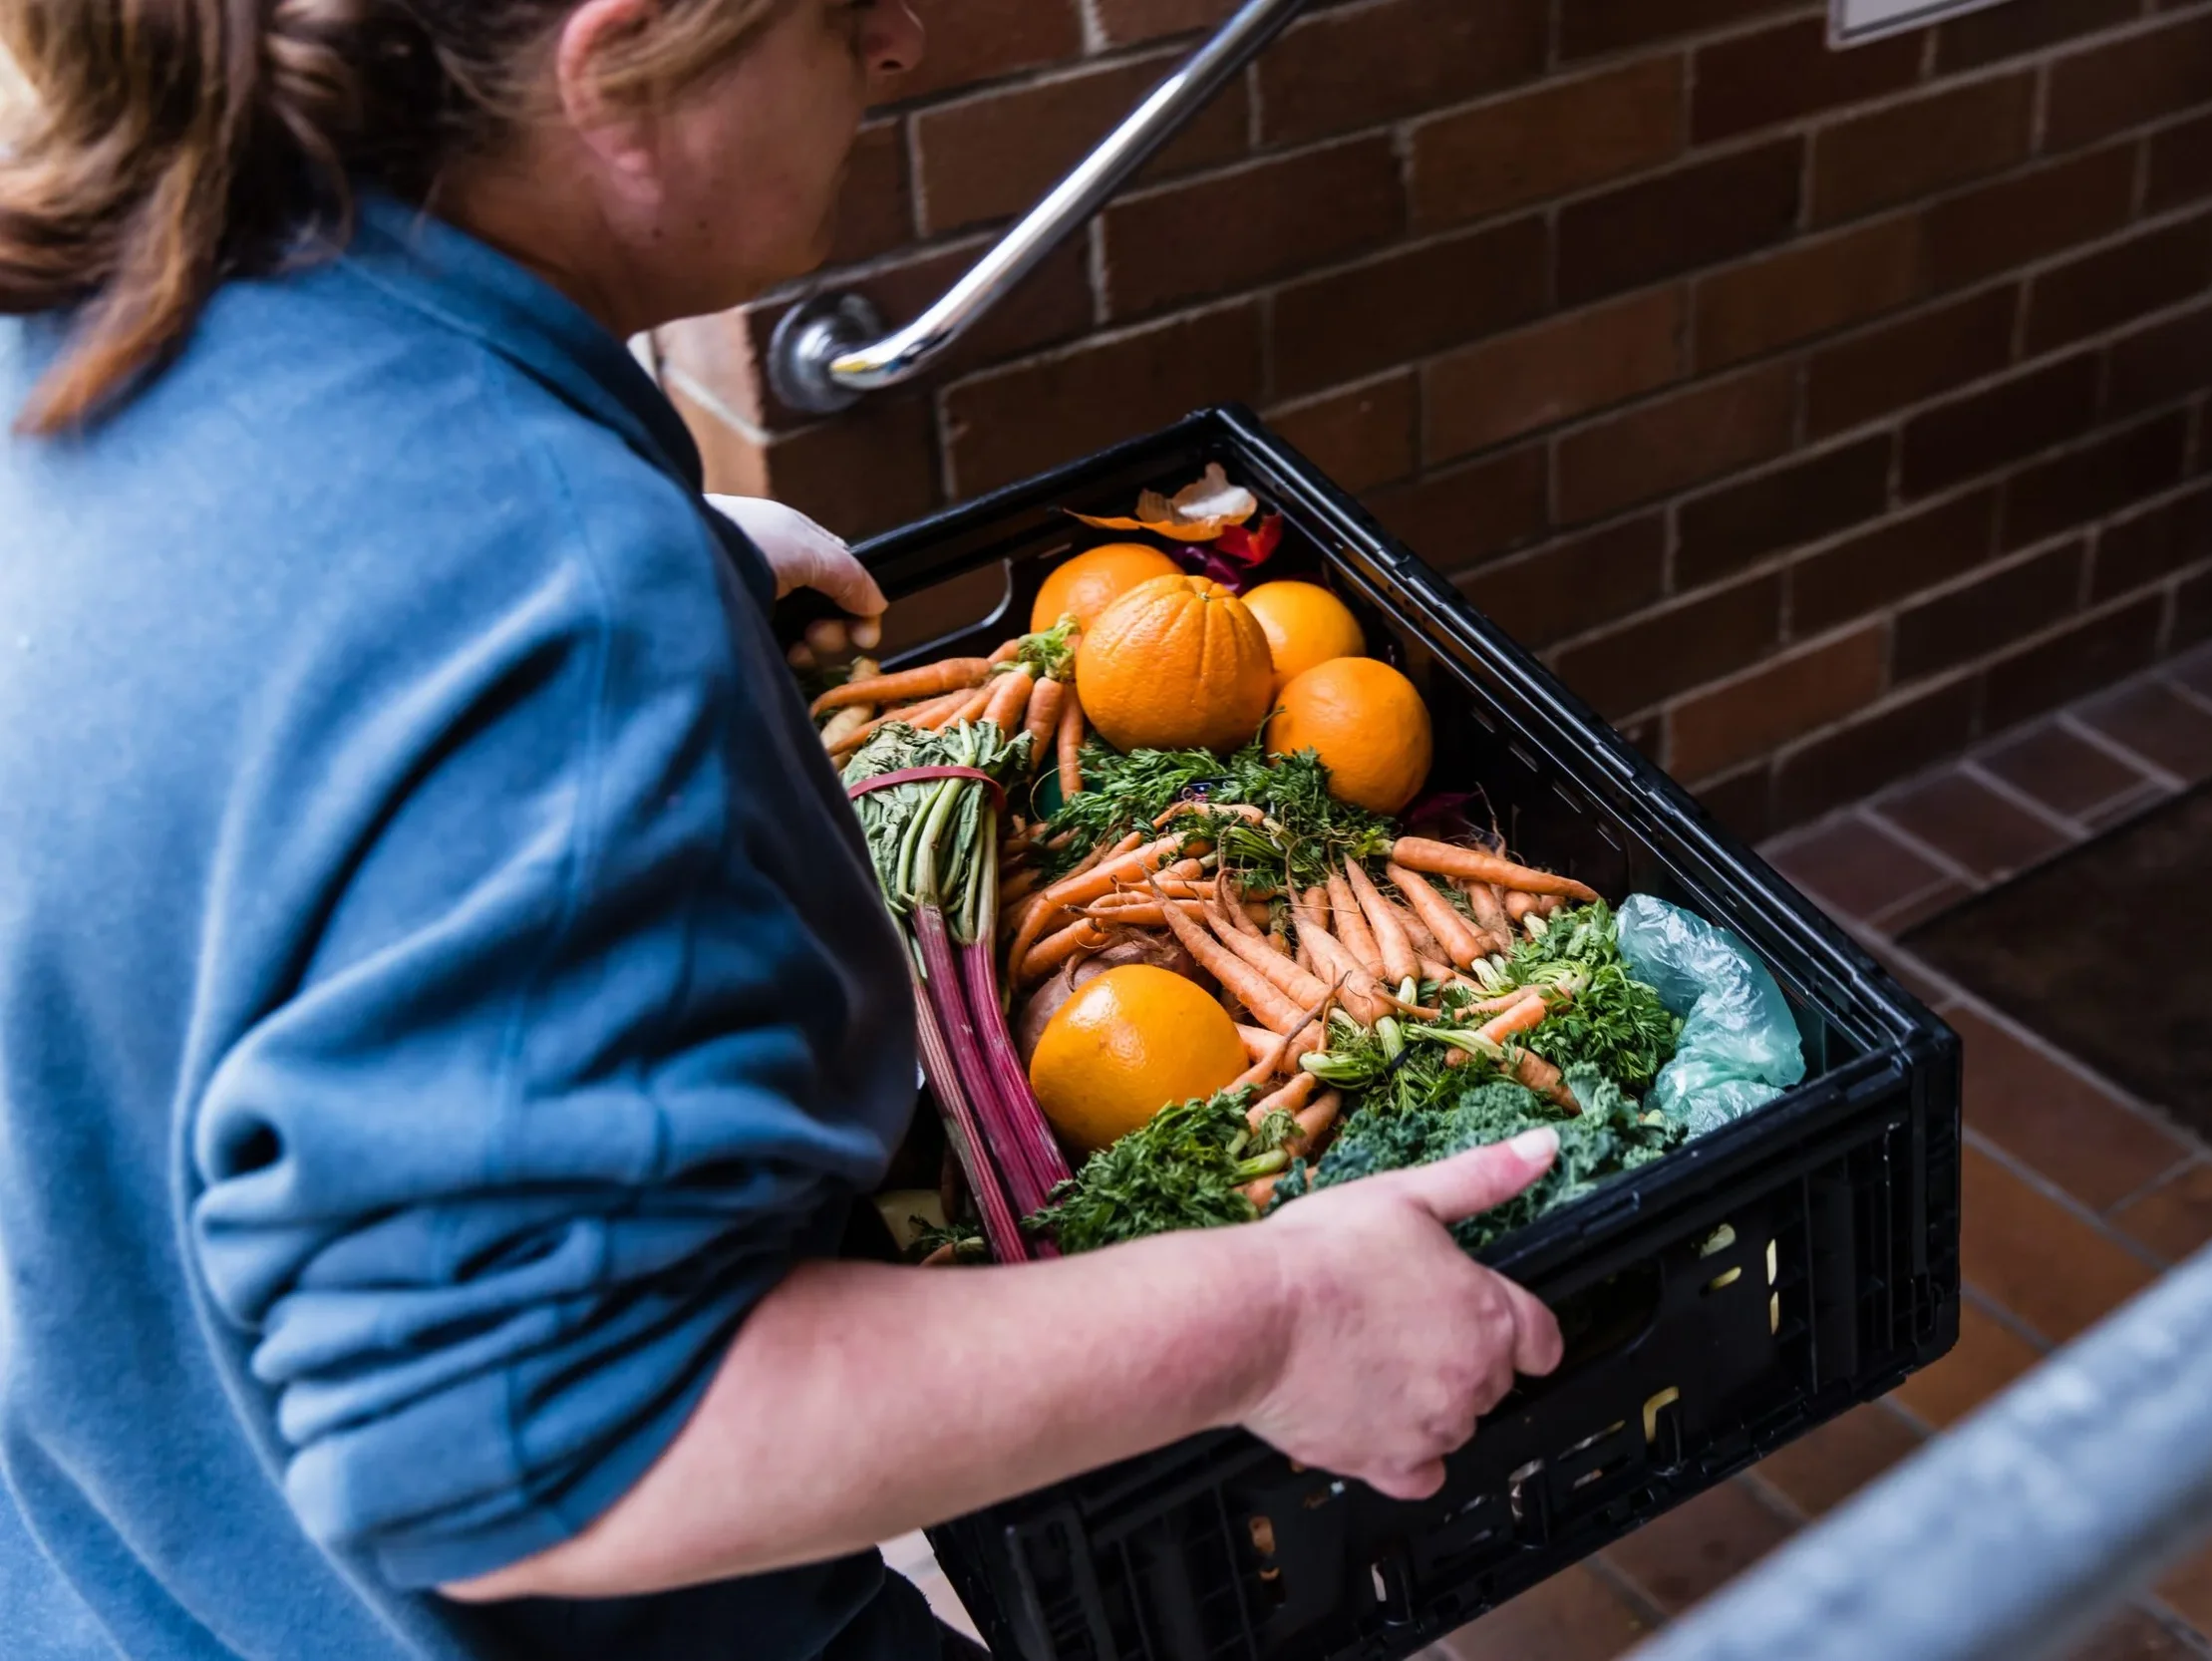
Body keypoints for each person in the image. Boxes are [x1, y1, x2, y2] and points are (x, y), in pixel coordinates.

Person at [0, 3, 1571, 1659]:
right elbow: (540, 1436)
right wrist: (1273, 1317)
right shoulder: (551, 600)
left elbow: (260, 697)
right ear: (613, 69)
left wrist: (641, 566)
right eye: (840, 6)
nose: (897, 42)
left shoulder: (101, 294)